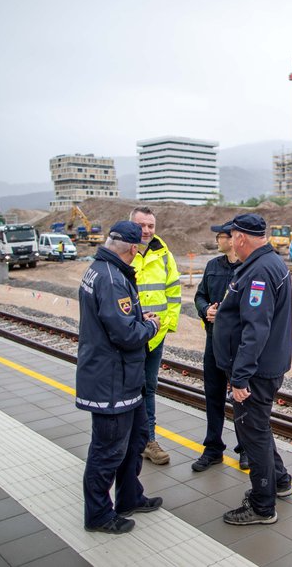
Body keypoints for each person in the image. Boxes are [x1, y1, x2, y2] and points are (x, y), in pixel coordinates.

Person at [76, 221, 163, 534]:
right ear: (132, 249)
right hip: (111, 382)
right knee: (108, 450)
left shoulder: (101, 269)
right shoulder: (112, 279)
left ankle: (129, 496)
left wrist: (139, 318)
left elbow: (118, 319)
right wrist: (150, 327)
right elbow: (125, 334)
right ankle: (98, 514)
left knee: (135, 439)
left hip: (124, 379)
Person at [214, 213, 292, 526]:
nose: (229, 241)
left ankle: (262, 506)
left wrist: (240, 377)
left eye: (231, 235)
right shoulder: (268, 263)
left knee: (253, 434)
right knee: (259, 427)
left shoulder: (259, 271)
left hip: (256, 372)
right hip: (265, 366)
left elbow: (255, 329)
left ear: (241, 238)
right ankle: (281, 481)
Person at [191, 220, 246, 472]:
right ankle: (213, 448)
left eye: (221, 236)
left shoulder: (248, 268)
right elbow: (199, 295)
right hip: (213, 340)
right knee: (212, 395)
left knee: (242, 398)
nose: (217, 240)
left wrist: (224, 314)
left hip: (237, 345)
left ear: (233, 238)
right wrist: (206, 309)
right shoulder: (213, 266)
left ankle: (245, 449)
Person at [129, 206, 182, 465]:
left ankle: (148, 440)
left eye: (150, 225)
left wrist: (167, 325)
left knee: (149, 388)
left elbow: (174, 291)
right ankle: (128, 440)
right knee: (128, 387)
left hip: (155, 336)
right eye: (141, 225)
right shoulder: (124, 253)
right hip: (128, 337)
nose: (147, 230)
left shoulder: (164, 255)